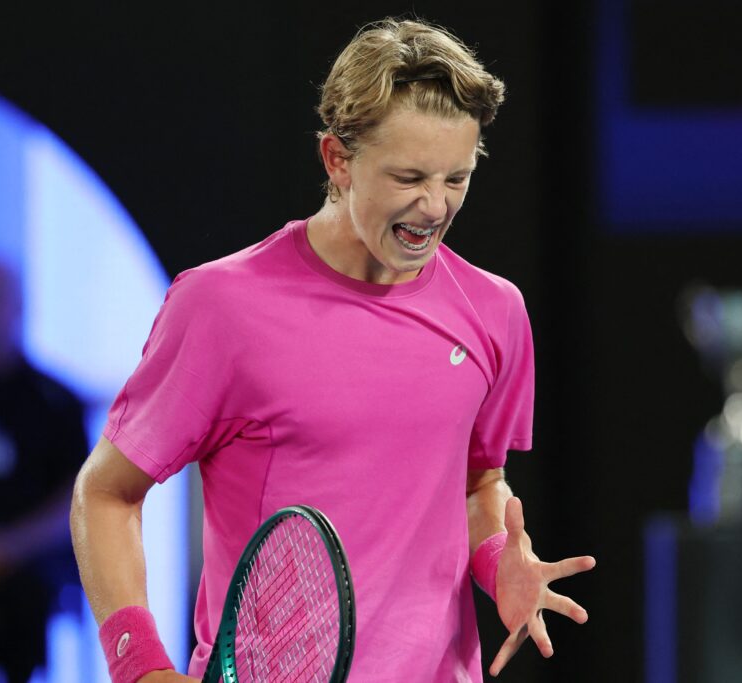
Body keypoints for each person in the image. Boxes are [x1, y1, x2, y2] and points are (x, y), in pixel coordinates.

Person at [70, 17, 595, 682]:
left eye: (456, 178)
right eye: (409, 177)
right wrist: (140, 666)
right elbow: (106, 493)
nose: (434, 207)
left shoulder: (496, 312)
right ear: (337, 160)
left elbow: (475, 481)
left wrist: (498, 563)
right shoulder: (219, 307)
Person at [0, 260, 88, 682]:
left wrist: (5, 548)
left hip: (27, 561)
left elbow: (79, 496)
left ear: (18, 307)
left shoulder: (54, 401)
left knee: (27, 599)